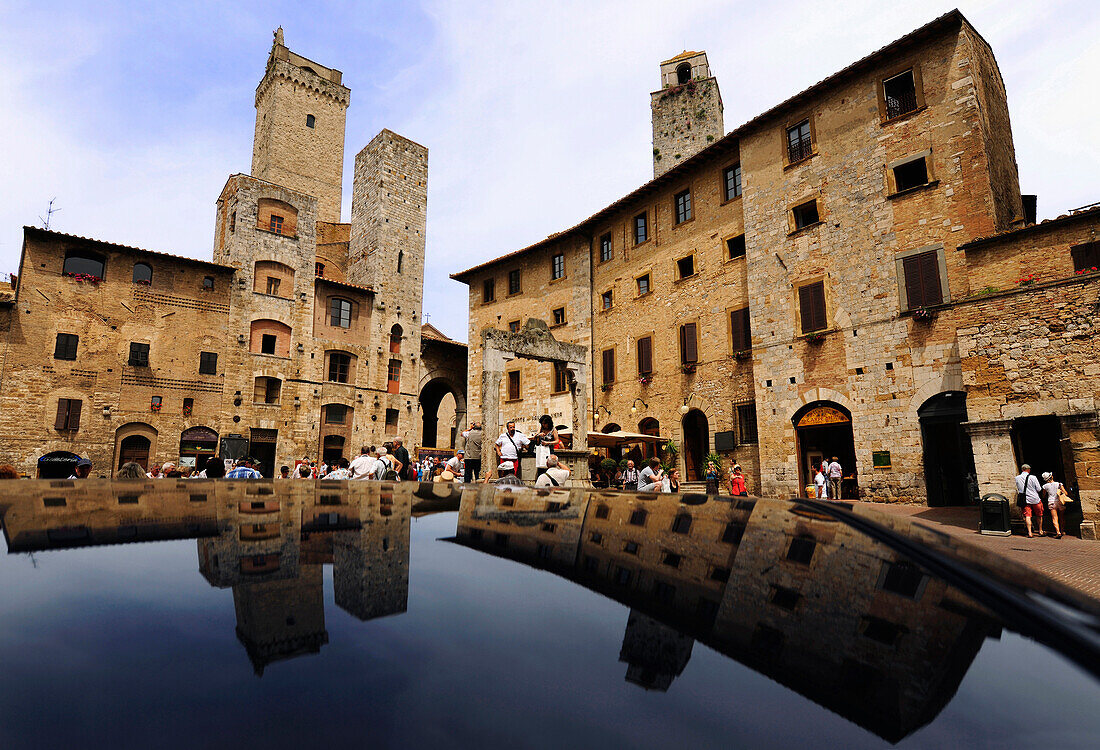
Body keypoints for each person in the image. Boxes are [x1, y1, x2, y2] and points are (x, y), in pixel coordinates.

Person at [1015, 463, 1044, 538]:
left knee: (1027, 516)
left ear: (1022, 470)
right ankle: (1040, 530)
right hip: (1035, 499)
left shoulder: (1017, 478)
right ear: (1028, 470)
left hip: (1025, 500)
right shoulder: (1033, 477)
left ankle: (1030, 532)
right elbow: (1039, 489)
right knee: (1039, 515)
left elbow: (1019, 489)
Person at [1041, 471, 1067, 540]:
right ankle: (1062, 530)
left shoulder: (1045, 486)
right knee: (1061, 517)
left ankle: (1058, 532)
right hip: (1059, 501)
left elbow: (1043, 495)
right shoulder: (1059, 484)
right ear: (1051, 477)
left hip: (1051, 501)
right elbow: (1065, 493)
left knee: (1054, 518)